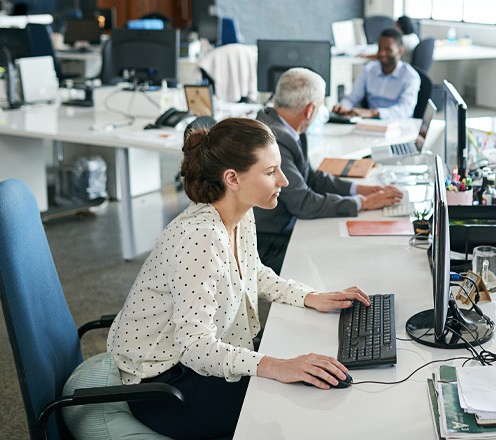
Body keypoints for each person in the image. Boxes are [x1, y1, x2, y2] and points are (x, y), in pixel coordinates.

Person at [106, 117, 373, 439]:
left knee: (313, 378)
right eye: (271, 171)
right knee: (299, 407)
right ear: (232, 178)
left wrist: (308, 295)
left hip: (197, 364)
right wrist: (277, 365)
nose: (284, 181)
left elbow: (251, 271)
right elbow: (194, 347)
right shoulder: (199, 238)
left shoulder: (239, 213)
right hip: (165, 385)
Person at [255, 68, 403, 274]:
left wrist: (359, 189)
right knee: (342, 259)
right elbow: (304, 203)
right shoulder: (275, 139)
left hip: (288, 226)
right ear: (309, 110)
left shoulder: (285, 125)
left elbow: (312, 177)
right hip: (270, 241)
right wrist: (364, 203)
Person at [332, 27, 421, 120]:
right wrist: (343, 106)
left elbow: (405, 110)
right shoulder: (369, 69)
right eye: (380, 48)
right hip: (371, 124)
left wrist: (374, 113)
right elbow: (352, 98)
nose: (382, 53)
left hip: (398, 125)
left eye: (388, 49)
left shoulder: (410, 76)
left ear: (400, 51)